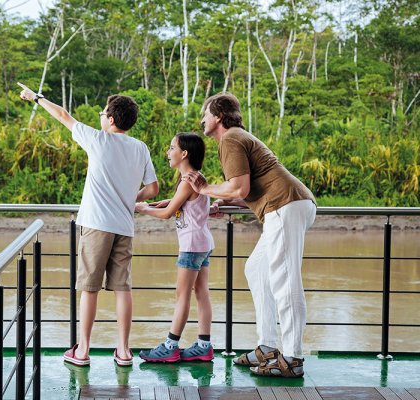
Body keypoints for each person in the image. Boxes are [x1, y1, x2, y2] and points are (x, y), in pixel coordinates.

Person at [18, 83, 159, 367]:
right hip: (124, 226)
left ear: (110, 119)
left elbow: (62, 115)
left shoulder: (98, 139)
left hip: (96, 225)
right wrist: (130, 199)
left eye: (103, 112)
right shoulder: (139, 148)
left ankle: (82, 351)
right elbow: (153, 189)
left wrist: (36, 97)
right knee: (122, 288)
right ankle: (123, 351)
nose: (100, 115)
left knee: (90, 288)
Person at [184, 92, 316, 378]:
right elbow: (246, 191)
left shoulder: (230, 138)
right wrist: (225, 200)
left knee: (285, 278)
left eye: (205, 114)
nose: (201, 120)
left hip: (285, 206)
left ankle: (293, 358)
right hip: (284, 205)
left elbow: (239, 187)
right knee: (256, 269)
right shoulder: (237, 137)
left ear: (218, 116)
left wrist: (205, 189)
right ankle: (267, 346)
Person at [135, 133, 214, 363]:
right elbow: (182, 203)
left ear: (184, 154)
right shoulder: (195, 177)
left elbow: (168, 214)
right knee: (201, 293)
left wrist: (144, 209)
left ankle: (171, 345)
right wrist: (169, 201)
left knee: (182, 296)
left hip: (191, 246)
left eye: (172, 148)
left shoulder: (187, 181)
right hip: (203, 243)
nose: (168, 153)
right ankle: (204, 345)